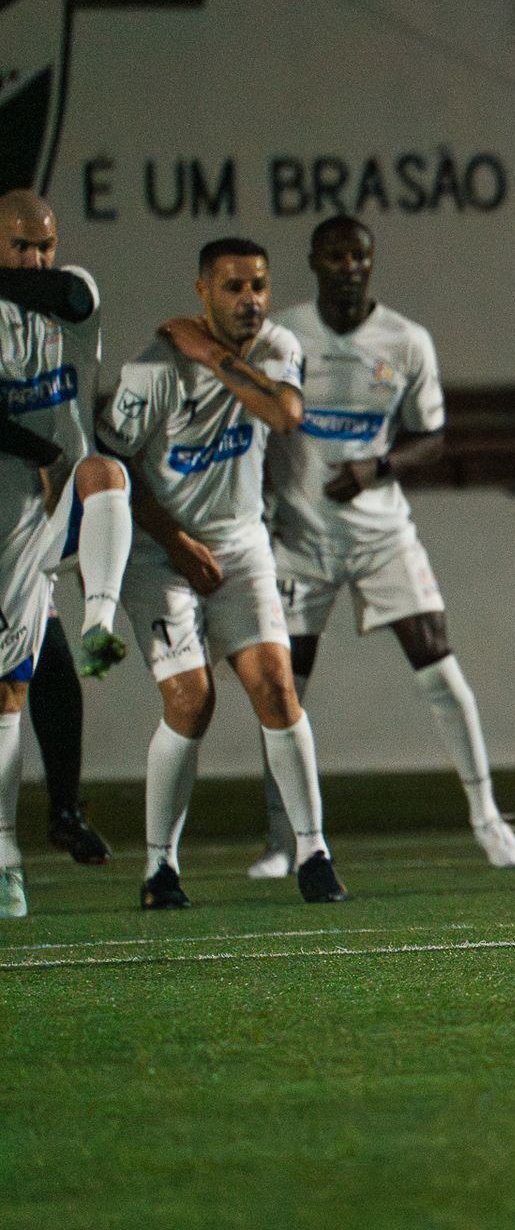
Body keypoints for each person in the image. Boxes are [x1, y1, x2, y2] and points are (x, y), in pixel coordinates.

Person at [244, 216, 515, 876]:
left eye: (359, 255)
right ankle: (282, 841)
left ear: (371, 263)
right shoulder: (281, 337)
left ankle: (487, 817)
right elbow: (252, 427)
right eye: (335, 255)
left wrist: (377, 467)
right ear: (314, 262)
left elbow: (432, 435)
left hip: (381, 535)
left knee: (440, 667)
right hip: (300, 539)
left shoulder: (405, 340)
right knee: (282, 690)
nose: (348, 265)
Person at [95, 238, 348, 908]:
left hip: (240, 546)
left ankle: (314, 854)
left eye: (259, 286)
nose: (251, 300)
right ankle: (159, 870)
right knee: (191, 700)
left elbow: (285, 414)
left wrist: (214, 355)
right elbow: (113, 473)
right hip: (158, 551)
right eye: (234, 287)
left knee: (276, 686)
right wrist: (177, 545)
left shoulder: (277, 347)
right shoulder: (152, 369)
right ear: (203, 290)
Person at [0, 189, 134, 916]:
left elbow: (62, 291)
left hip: (60, 515)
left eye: (43, 243)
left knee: (106, 472)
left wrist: (59, 454)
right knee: (19, 688)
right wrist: (44, 447)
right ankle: (17, 848)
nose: (38, 258)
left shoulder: (75, 292)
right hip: (8, 526)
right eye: (20, 245)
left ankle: (101, 618)